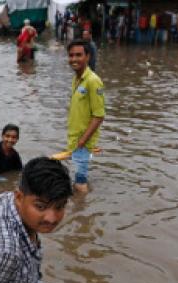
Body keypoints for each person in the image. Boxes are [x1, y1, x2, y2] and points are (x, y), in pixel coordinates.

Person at [65, 40, 104, 192]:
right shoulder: (76, 79)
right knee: (78, 178)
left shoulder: (93, 81)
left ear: (87, 56)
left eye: (78, 55)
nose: (74, 59)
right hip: (75, 139)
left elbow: (99, 116)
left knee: (80, 184)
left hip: (83, 142)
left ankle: (82, 213)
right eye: (71, 55)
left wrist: (82, 142)